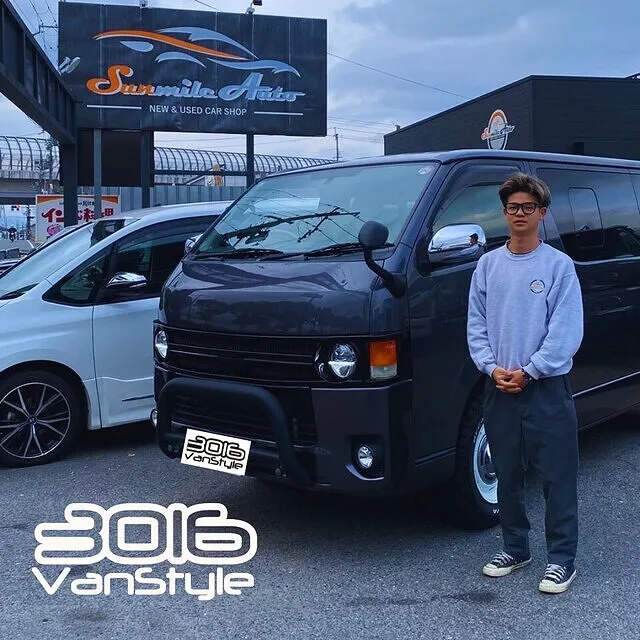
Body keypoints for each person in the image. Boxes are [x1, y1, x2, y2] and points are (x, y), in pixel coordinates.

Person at [466, 172, 584, 594]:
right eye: (513, 207)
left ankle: (562, 559)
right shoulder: (488, 265)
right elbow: (476, 324)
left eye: (528, 207)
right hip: (499, 387)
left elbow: (566, 330)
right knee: (506, 471)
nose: (520, 213)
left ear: (542, 213)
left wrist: (531, 370)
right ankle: (515, 548)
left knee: (556, 475)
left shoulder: (558, 266)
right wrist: (490, 367)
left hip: (546, 387)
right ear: (504, 213)